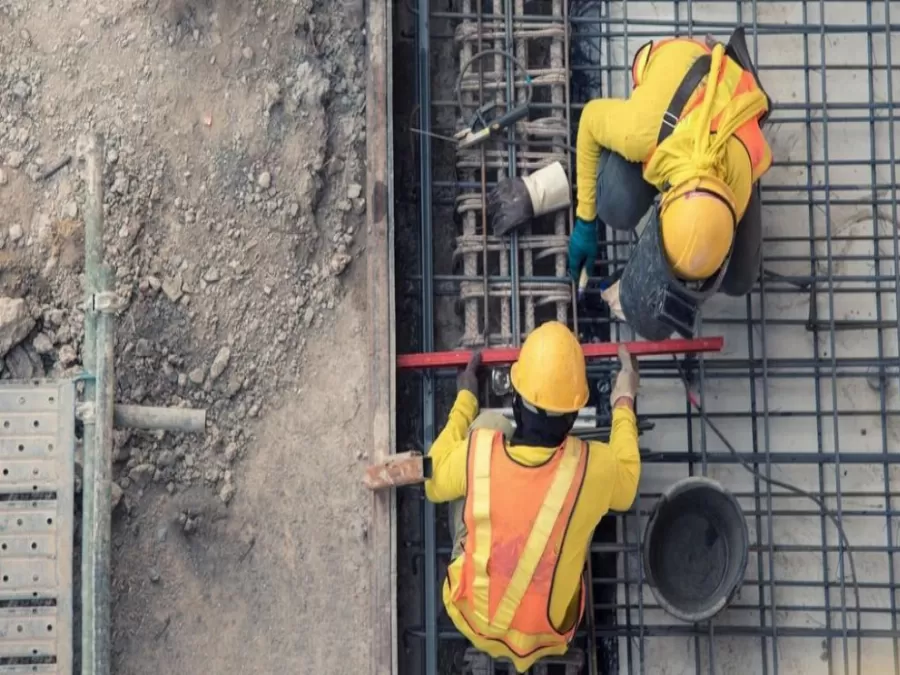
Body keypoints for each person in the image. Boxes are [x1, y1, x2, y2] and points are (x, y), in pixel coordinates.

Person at [424, 321, 641, 673]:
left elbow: (432, 481)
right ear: (573, 417)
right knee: (578, 512)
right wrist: (624, 400)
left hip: (472, 616)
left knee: (489, 426)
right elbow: (629, 485)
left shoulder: (479, 453)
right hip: (548, 636)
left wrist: (465, 400)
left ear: (516, 397)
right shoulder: (593, 468)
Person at [566, 28, 773, 340]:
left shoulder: (744, 171)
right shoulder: (640, 131)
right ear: (662, 204)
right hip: (677, 76)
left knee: (740, 279)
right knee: (613, 205)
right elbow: (590, 121)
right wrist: (585, 219)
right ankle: (718, 55)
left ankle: (735, 66)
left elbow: (703, 243)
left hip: (730, 110)